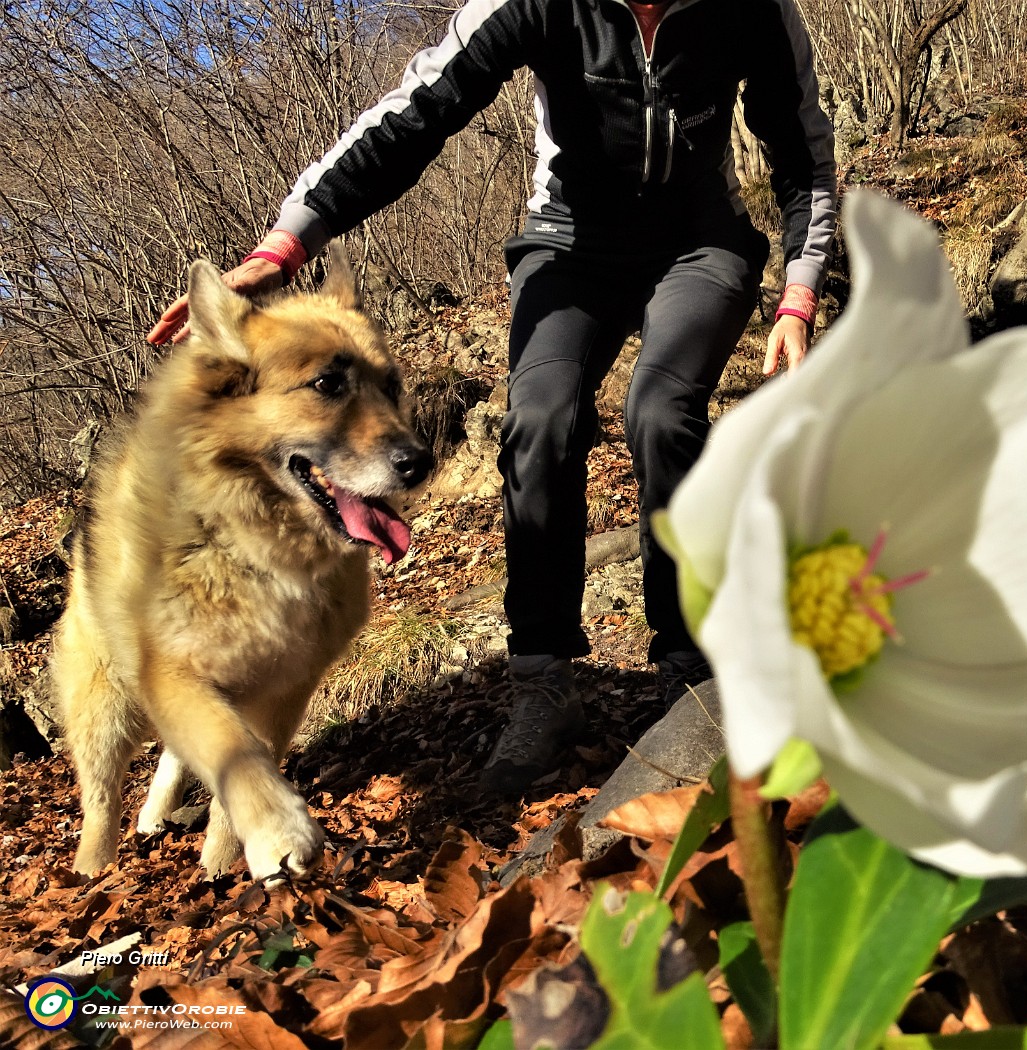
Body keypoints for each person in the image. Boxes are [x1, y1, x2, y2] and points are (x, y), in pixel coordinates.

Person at [149, 0, 837, 793]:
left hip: (699, 244)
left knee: (662, 412)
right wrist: (290, 239)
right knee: (540, 420)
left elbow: (802, 150)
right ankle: (542, 684)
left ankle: (686, 673)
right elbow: (418, 112)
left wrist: (798, 291)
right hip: (570, 243)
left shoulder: (753, 10)